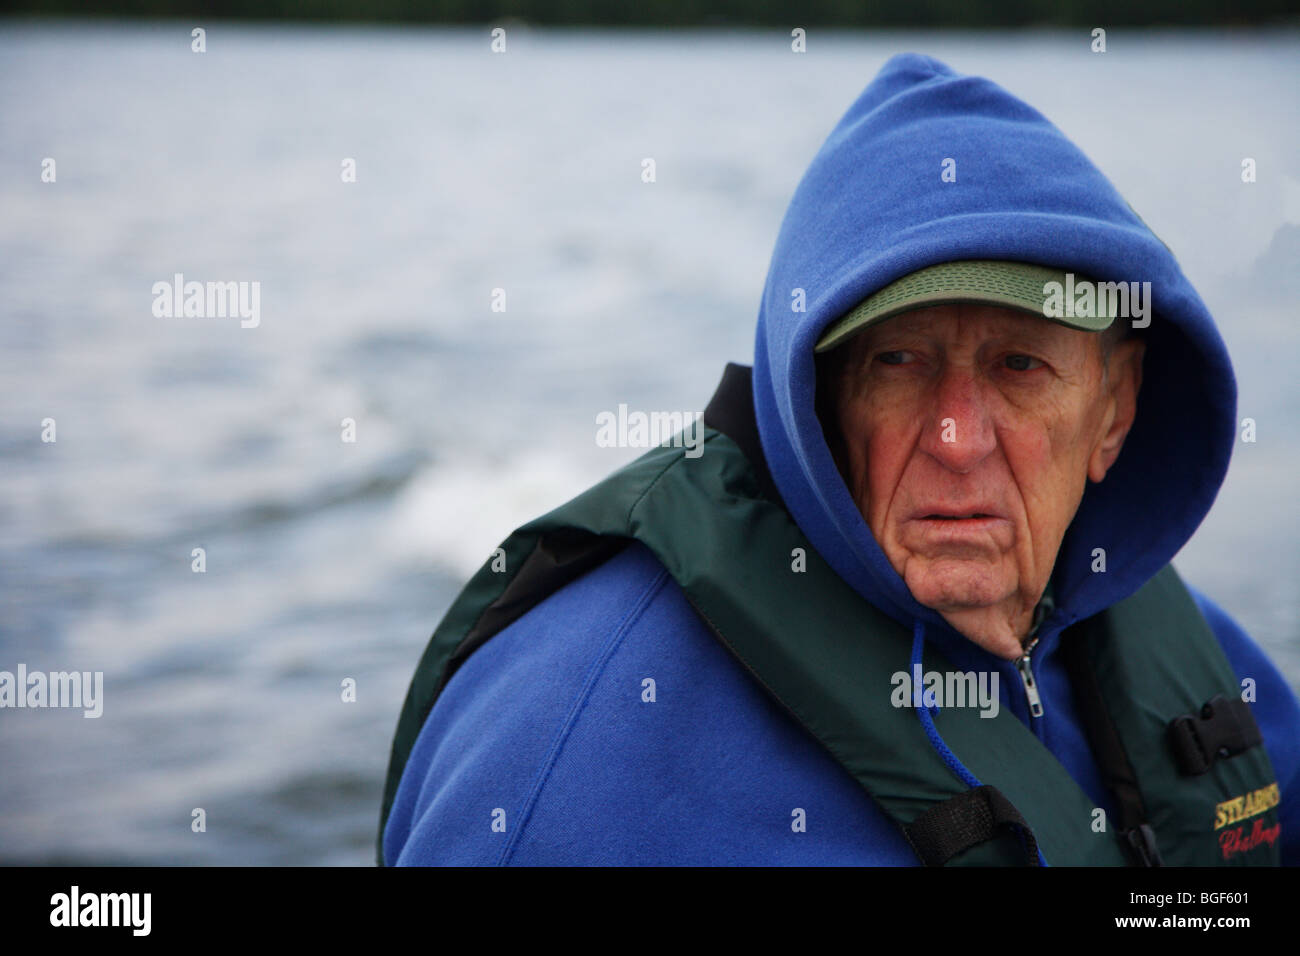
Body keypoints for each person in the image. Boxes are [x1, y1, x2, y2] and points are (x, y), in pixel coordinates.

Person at [379, 53, 1298, 866]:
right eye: (899, 362)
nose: (957, 438)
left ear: (1114, 414)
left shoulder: (1195, 648)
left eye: (1021, 367)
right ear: (817, 396)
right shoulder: (569, 758)